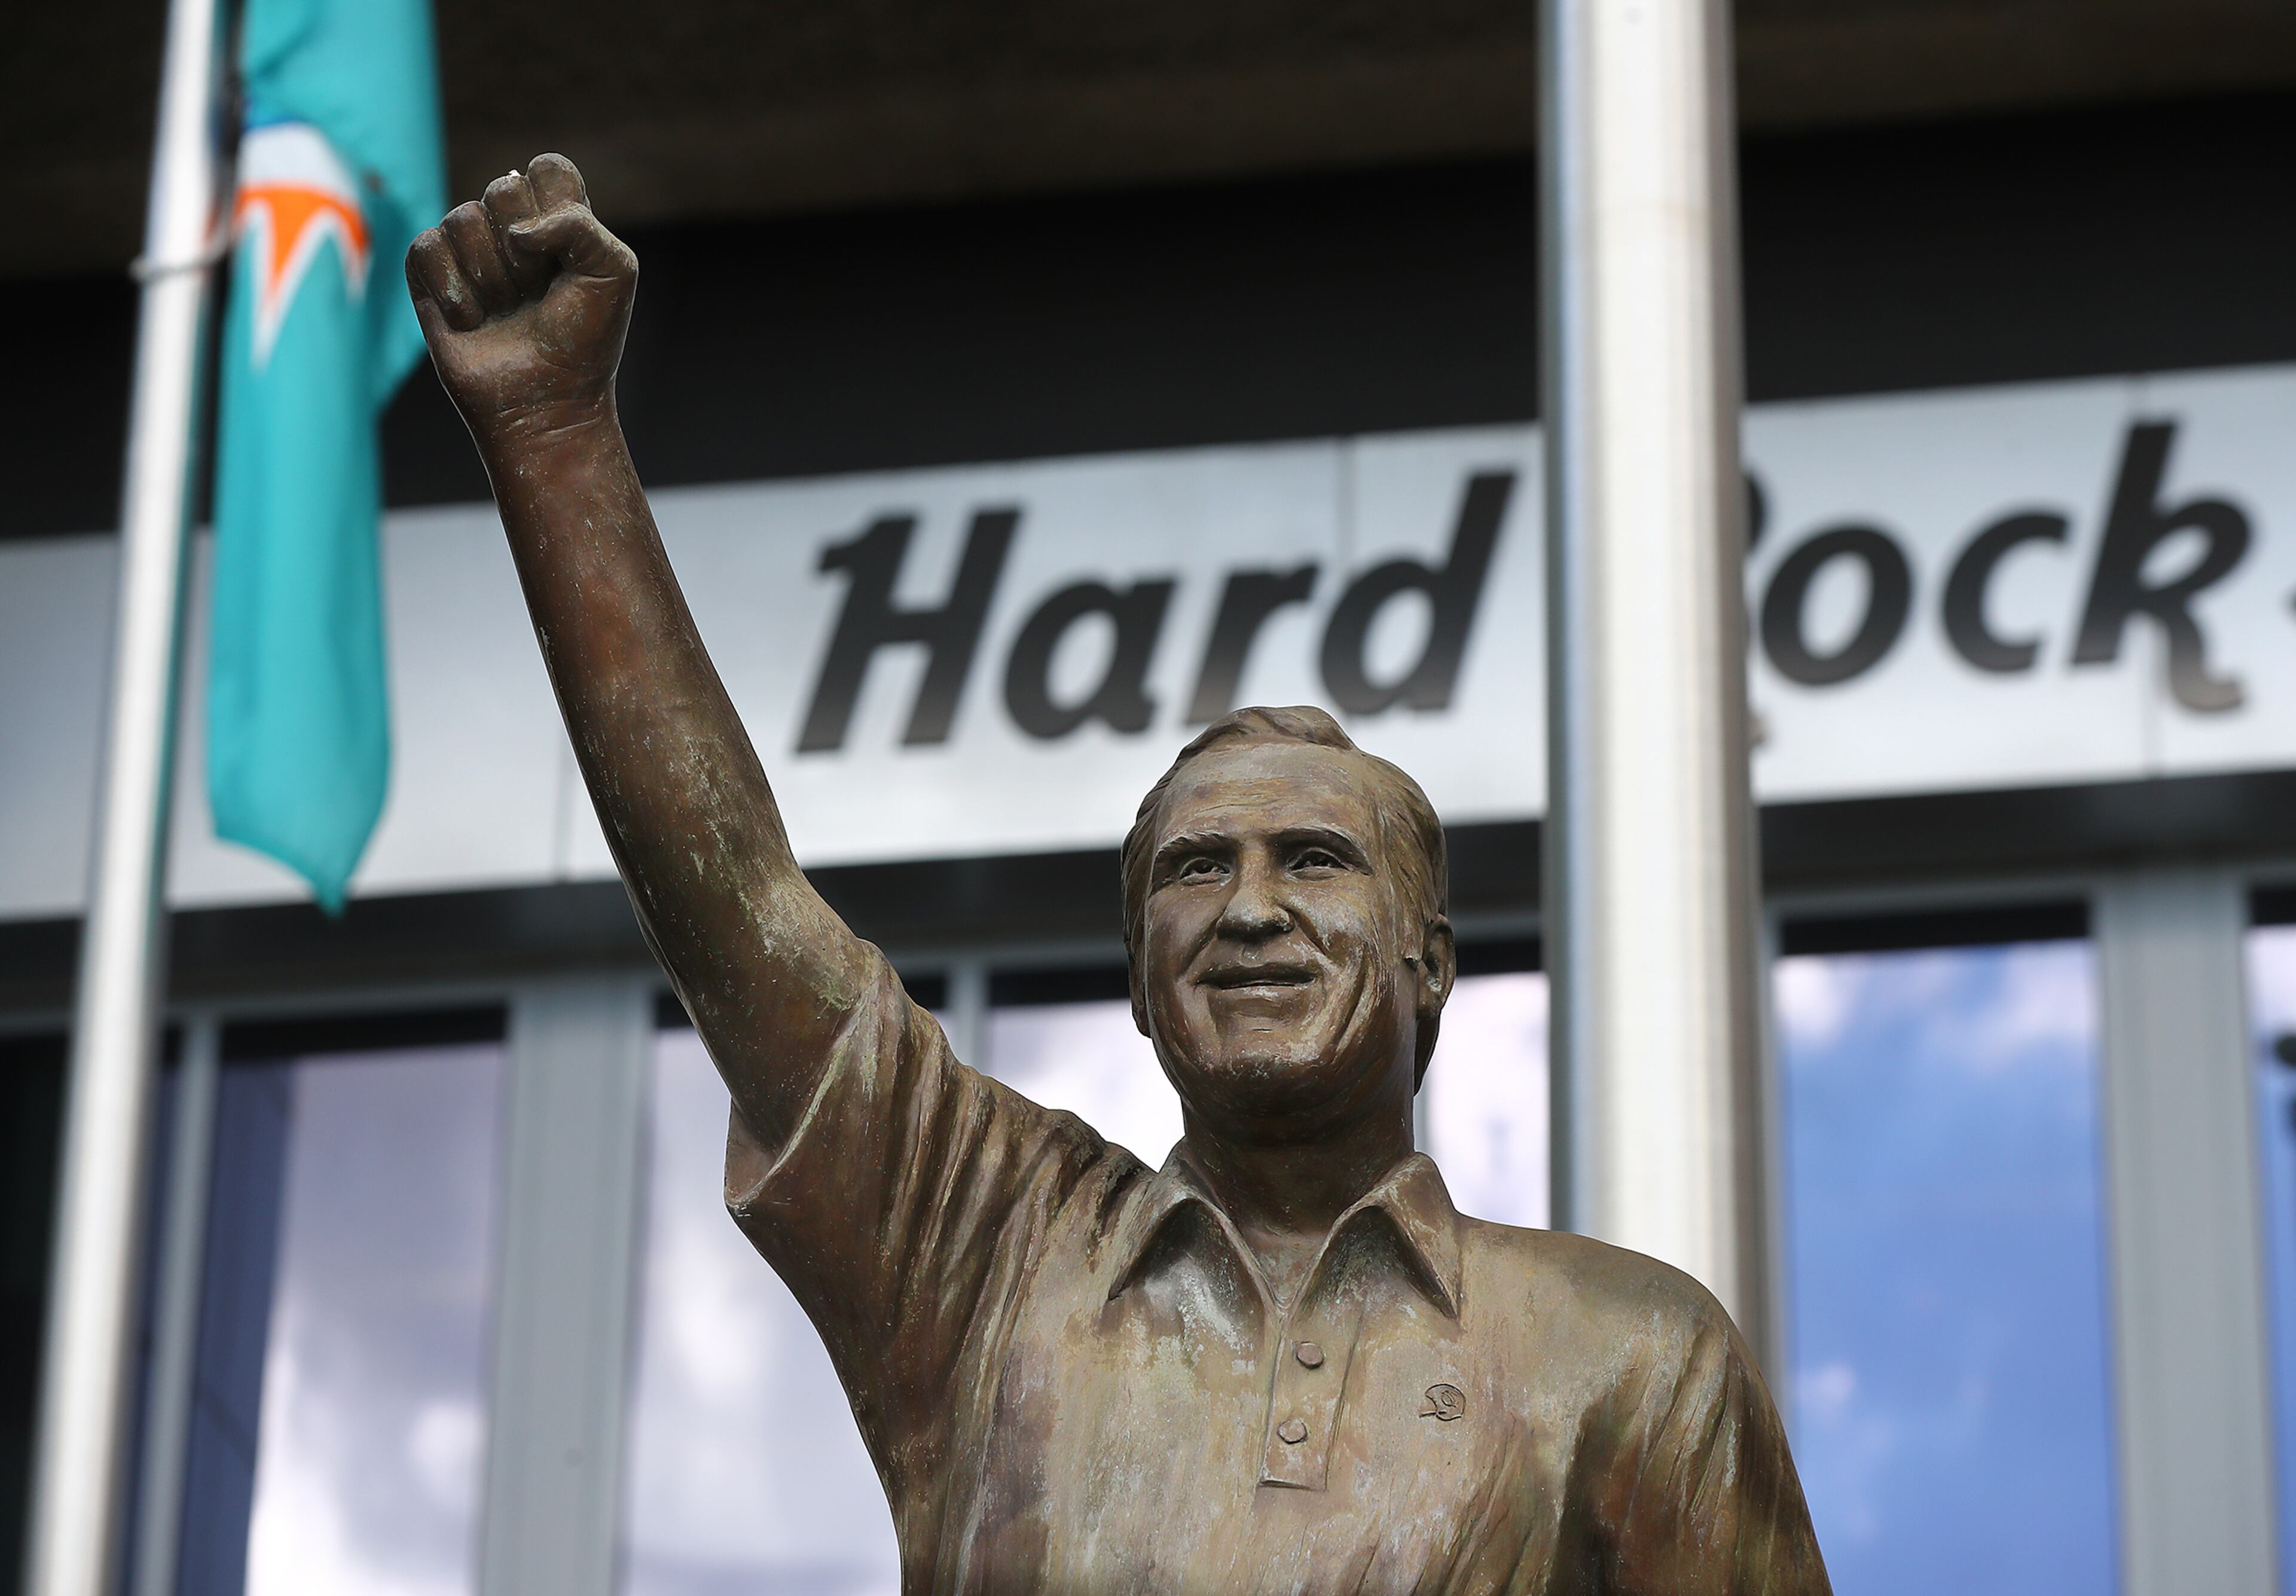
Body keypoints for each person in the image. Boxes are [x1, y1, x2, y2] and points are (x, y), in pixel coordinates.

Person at [406, 154, 1832, 1595]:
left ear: (1433, 959)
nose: (1251, 909)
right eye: (1196, 872)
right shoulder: (989, 1254)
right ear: (1143, 989)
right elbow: (739, 905)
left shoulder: (1630, 1355)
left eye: (1317, 863)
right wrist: (553, 431)